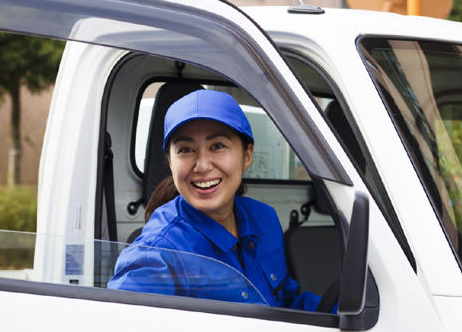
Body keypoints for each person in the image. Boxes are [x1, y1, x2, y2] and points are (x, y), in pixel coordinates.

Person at [108, 89, 322, 311]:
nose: (202, 166)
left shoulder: (265, 219)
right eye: (186, 150)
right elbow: (117, 328)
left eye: (218, 146)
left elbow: (285, 304)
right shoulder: (158, 253)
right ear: (171, 163)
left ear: (247, 155)